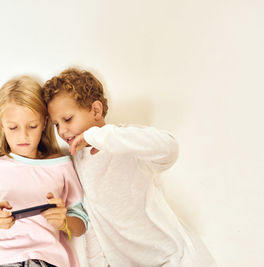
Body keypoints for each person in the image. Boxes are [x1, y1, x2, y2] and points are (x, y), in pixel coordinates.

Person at [42, 68, 216, 267]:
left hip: (171, 255)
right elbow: (93, 220)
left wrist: (97, 137)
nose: (62, 131)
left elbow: (169, 148)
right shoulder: (77, 161)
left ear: (96, 111)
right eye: (56, 124)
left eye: (67, 119)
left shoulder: (124, 140)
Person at [0, 76, 88, 267]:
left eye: (32, 126)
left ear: (44, 123)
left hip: (48, 261)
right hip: (4, 261)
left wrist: (64, 221)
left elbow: (80, 225)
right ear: (1, 124)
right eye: (13, 127)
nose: (23, 135)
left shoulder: (61, 165)